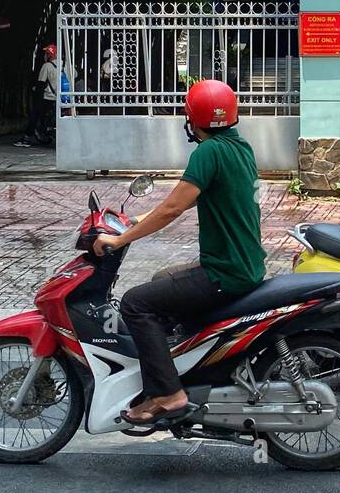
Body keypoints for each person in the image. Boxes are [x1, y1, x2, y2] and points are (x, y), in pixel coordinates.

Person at [93, 80, 265, 426]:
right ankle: (179, 369)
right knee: (162, 279)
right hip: (245, 266)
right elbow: (185, 200)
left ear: (192, 119)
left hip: (224, 273)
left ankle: (169, 394)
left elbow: (172, 208)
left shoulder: (207, 152)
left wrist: (121, 238)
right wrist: (133, 220)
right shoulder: (239, 147)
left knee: (136, 303)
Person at [13, 44, 58, 148]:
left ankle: (27, 138)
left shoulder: (47, 66)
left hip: (49, 98)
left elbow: (41, 84)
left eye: (46, 53)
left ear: (49, 55)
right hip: (64, 98)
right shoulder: (66, 64)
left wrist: (36, 91)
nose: (45, 55)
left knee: (35, 114)